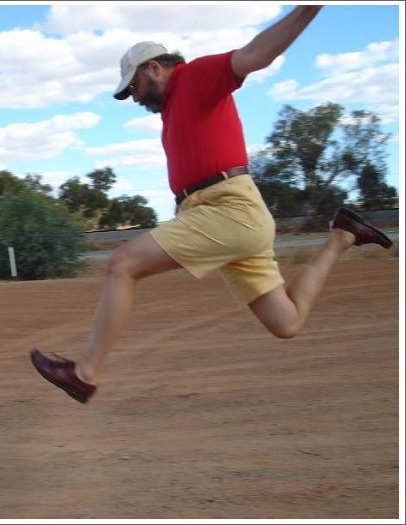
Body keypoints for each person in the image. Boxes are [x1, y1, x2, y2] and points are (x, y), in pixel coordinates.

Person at [30, 5, 393, 404]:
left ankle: (85, 373)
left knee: (122, 264)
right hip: (227, 217)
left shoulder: (196, 77)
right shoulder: (171, 111)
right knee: (287, 321)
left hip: (227, 211)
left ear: (153, 67)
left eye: (131, 87)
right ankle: (342, 235)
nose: (131, 98)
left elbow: (257, 54)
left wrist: (309, 7)